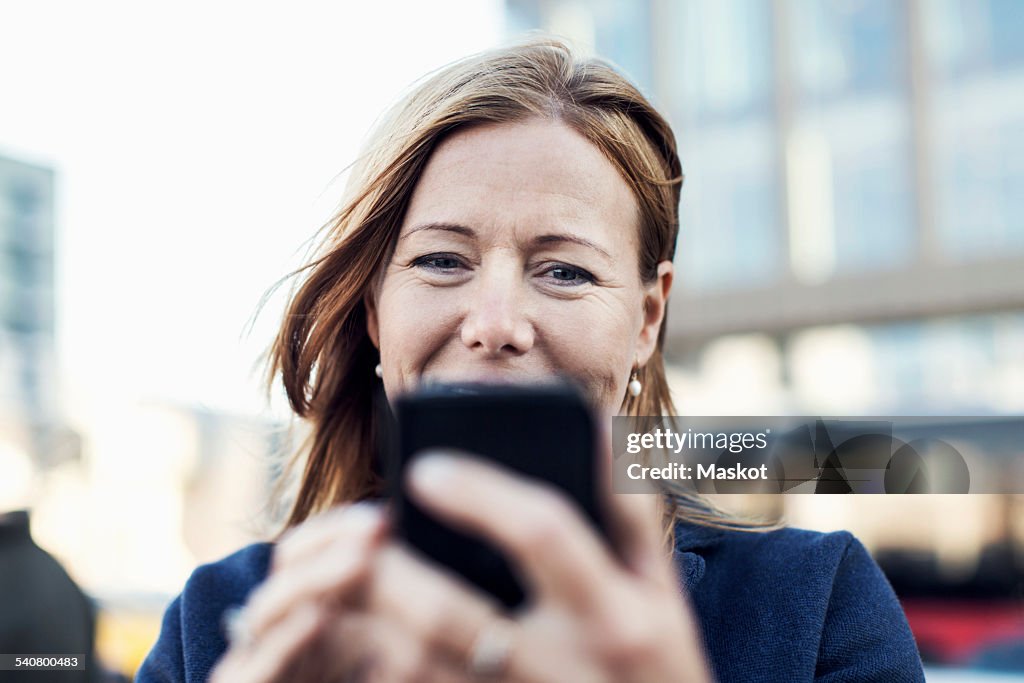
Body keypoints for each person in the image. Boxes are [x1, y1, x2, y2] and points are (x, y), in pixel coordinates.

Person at [136, 38, 926, 682]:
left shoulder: (815, 604)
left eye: (566, 271)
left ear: (647, 318)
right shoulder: (217, 623)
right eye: (442, 260)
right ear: (375, 310)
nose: (496, 323)